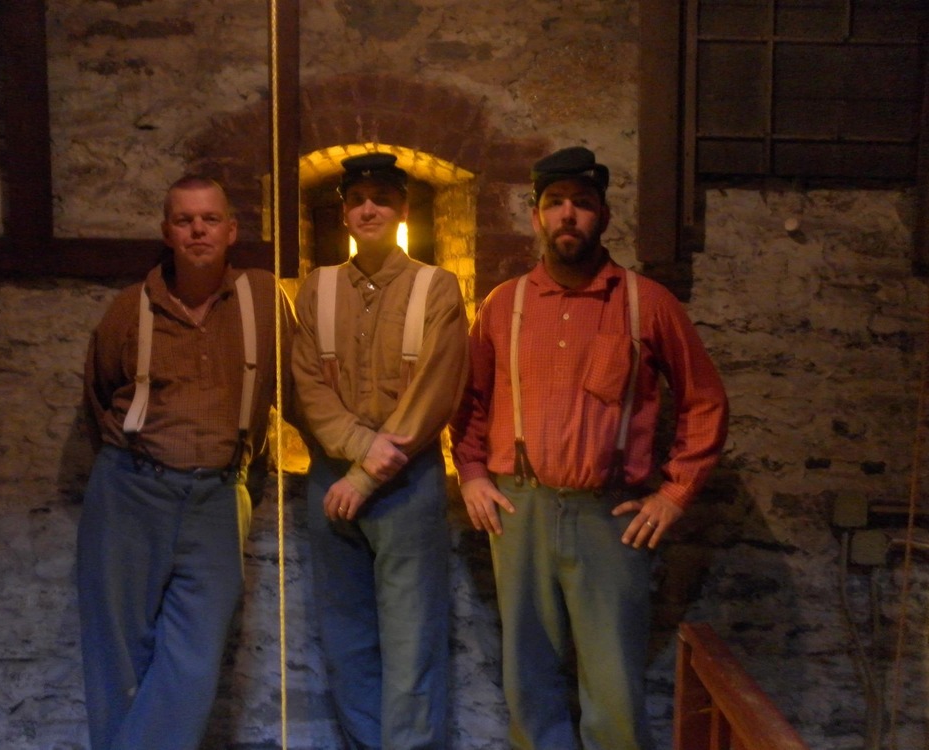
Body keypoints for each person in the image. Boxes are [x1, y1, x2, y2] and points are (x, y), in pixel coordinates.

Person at [449, 146, 729, 750]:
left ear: (603, 215)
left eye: (582, 203)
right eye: (555, 203)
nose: (568, 214)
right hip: (519, 510)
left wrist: (674, 494)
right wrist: (471, 472)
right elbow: (469, 401)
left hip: (609, 515)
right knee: (528, 680)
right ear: (536, 217)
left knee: (613, 686)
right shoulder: (503, 306)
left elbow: (705, 400)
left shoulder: (646, 304)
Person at [77, 175, 295, 750]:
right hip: (131, 489)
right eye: (184, 220)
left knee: (195, 660)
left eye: (209, 219)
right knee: (118, 653)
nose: (198, 230)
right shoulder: (131, 308)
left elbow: (296, 386)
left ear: (231, 231)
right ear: (167, 232)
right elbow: (99, 392)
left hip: (218, 496)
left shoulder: (263, 300)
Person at [292, 152, 469, 749]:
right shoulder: (317, 289)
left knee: (412, 640)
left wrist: (367, 472)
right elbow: (307, 388)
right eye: (357, 200)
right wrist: (359, 452)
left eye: (382, 199)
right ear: (344, 212)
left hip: (405, 482)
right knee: (346, 640)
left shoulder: (435, 287)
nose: (369, 209)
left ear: (403, 210)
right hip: (332, 475)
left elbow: (435, 389)